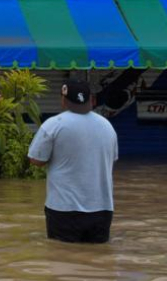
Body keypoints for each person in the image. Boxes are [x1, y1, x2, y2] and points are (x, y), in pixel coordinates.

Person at [28, 79, 119, 243]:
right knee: (99, 256)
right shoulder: (107, 126)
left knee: (62, 255)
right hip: (102, 209)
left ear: (63, 100)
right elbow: (112, 159)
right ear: (91, 100)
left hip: (64, 209)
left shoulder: (53, 125)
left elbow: (36, 160)